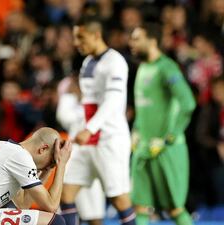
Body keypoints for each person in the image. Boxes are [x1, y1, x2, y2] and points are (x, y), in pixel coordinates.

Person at [60, 15, 135, 225]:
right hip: (87, 141)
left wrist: (90, 128)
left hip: (109, 139)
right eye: (75, 38)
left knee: (119, 199)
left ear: (96, 35)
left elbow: (113, 100)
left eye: (81, 38)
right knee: (66, 192)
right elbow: (89, 102)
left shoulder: (115, 61)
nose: (77, 43)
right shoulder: (87, 62)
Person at [129, 23, 196, 225]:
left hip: (166, 150)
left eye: (136, 38)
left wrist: (170, 137)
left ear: (152, 41)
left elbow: (188, 103)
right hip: (144, 148)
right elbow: (143, 107)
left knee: (174, 209)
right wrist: (136, 131)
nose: (131, 43)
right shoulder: (142, 68)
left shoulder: (167, 67)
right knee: (139, 206)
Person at [56, 76, 106, 225]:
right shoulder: (70, 100)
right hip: (73, 154)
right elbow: (64, 118)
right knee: (66, 199)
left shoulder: (101, 99)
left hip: (95, 151)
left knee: (94, 207)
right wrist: (71, 97)